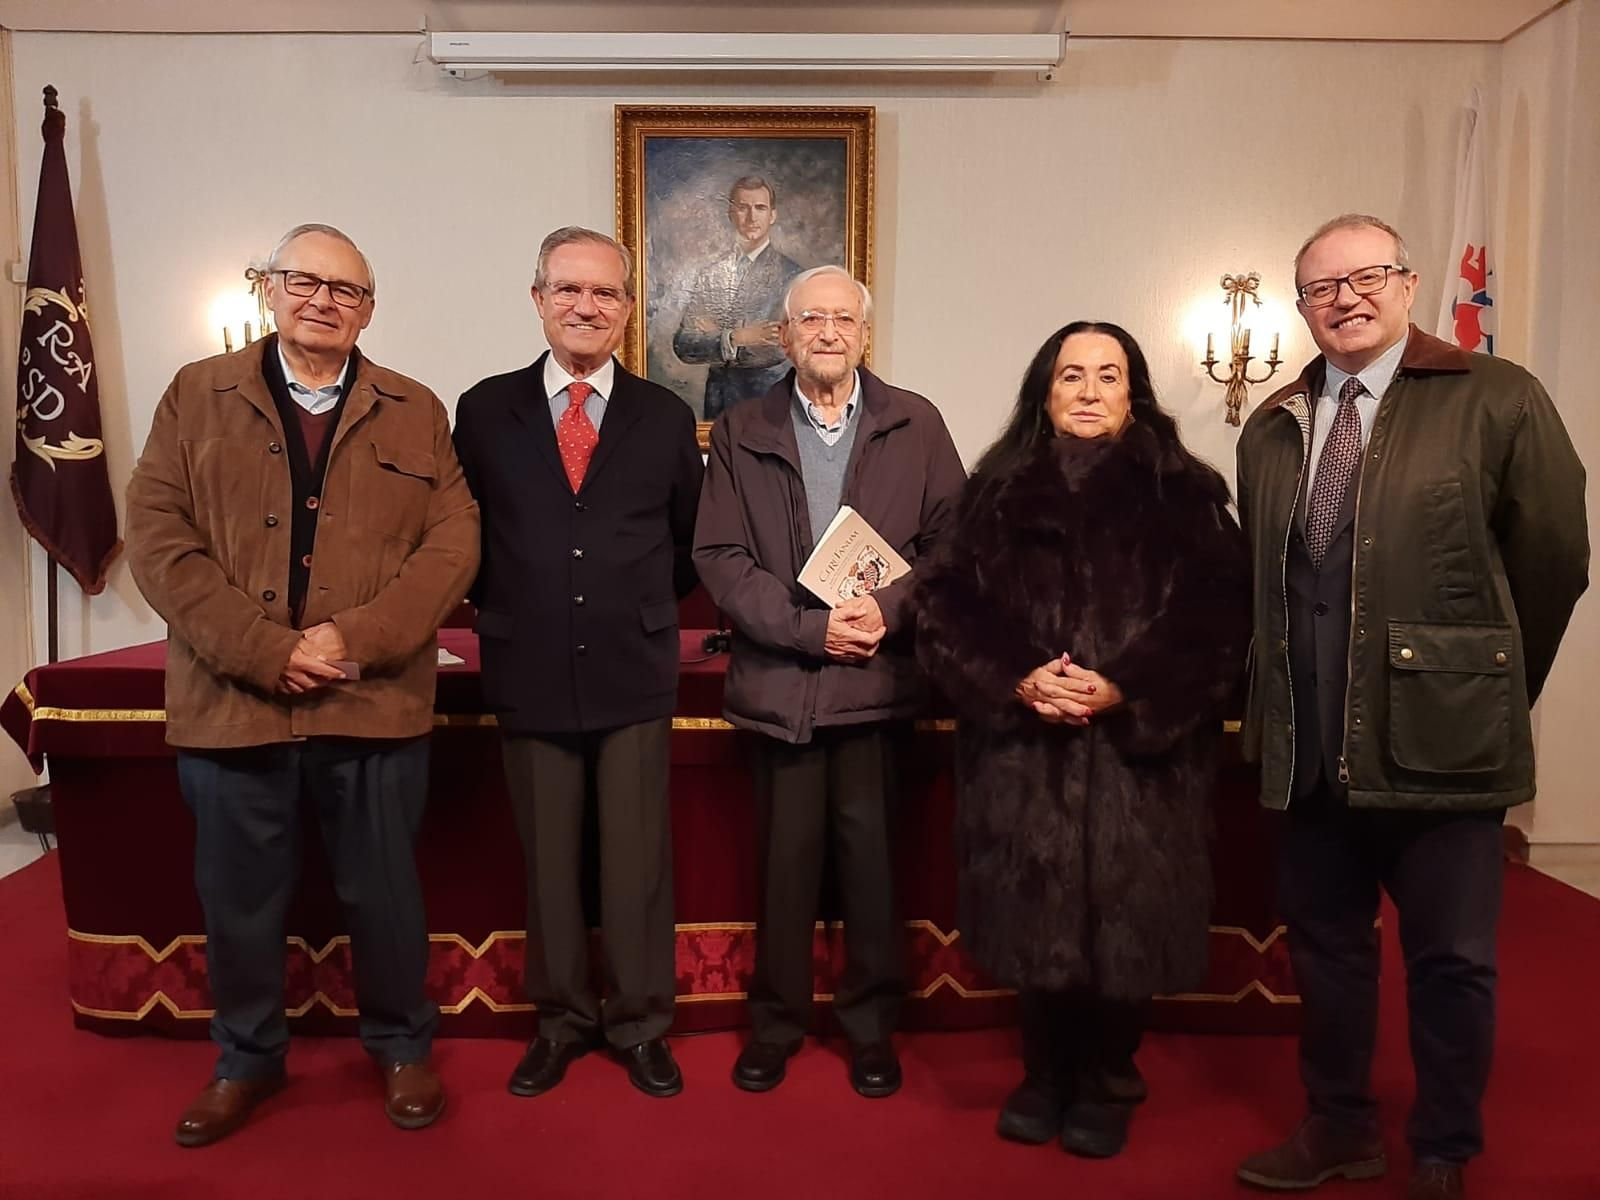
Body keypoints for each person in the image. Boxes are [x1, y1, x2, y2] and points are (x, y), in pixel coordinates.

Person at [1234, 214, 1589, 1199]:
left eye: (1366, 277)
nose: (1343, 299)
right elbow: (1266, 585)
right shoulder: (1272, 425)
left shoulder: (1496, 398)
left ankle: (1442, 1148)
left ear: (1407, 282)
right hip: (1306, 747)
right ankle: (1338, 1127)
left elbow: (1552, 563)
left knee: (1452, 963)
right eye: (1318, 288)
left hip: (1441, 750)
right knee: (1327, 956)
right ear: (1299, 307)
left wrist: (1479, 687)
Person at [125, 223, 480, 1146]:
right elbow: (158, 537)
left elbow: (452, 547)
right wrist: (261, 647)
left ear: (370, 308)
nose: (323, 300)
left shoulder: (415, 409)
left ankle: (402, 1048)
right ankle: (245, 1060)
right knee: (238, 901)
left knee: (387, 895)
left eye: (346, 290)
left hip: (372, 702)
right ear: (269, 289)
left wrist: (351, 638)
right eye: (303, 282)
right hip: (233, 703)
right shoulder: (196, 395)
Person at [912, 321, 1249, 1157]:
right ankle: (1043, 1073)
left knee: (1128, 918)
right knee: (1035, 916)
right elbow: (943, 606)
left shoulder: (1188, 494)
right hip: (1025, 755)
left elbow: (1219, 618)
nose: (1090, 390)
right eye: (1072, 376)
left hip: (1143, 761)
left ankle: (1107, 1075)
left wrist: (1125, 686)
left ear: (1134, 392)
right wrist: (1021, 675)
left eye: (1109, 374)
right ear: (1046, 391)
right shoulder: (992, 491)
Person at [693, 265, 966, 1097]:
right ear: (785, 335)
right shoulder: (740, 428)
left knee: (874, 873)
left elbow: (953, 545)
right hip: (782, 688)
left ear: (864, 334)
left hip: (877, 689)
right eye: (809, 318)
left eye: (842, 319)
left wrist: (888, 610)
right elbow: (721, 557)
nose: (826, 332)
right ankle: (775, 1026)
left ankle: (871, 1029)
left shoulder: (916, 423)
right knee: (784, 874)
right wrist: (812, 629)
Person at [453, 227, 704, 1100]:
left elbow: (685, 545)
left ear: (628, 311)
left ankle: (640, 1024)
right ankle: (560, 1022)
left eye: (605, 294)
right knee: (549, 863)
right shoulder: (484, 410)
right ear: (537, 299)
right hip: (526, 664)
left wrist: (630, 604)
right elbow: (467, 537)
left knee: (636, 863)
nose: (586, 307)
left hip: (633, 668)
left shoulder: (666, 416)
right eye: (568, 291)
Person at [673, 175, 805, 420]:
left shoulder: (793, 276)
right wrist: (738, 336)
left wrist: (715, 336)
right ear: (731, 214)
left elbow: (779, 350)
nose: (752, 217)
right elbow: (683, 344)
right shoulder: (711, 275)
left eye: (760, 208)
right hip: (717, 408)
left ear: (772, 216)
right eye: (743, 208)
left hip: (769, 408)